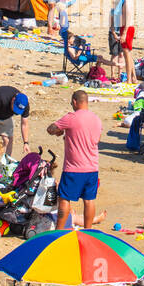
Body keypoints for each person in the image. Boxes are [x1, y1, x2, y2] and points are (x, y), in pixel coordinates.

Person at [47, 89, 103, 229]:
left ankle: (59, 231)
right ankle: (88, 230)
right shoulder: (96, 119)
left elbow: (51, 129)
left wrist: (59, 131)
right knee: (89, 200)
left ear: (74, 102)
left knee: (64, 199)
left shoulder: (71, 117)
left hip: (74, 168)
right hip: (92, 167)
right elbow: (96, 139)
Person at [110, 0, 135, 82]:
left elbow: (128, 17)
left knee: (126, 55)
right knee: (128, 54)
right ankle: (134, 78)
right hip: (125, 27)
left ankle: (129, 79)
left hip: (127, 28)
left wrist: (124, 32)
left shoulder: (127, 0)